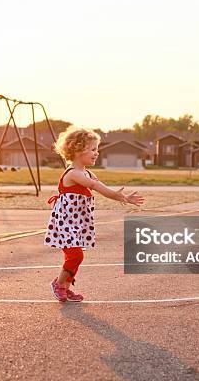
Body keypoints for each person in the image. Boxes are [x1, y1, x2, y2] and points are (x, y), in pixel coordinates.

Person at [44, 126, 144, 302]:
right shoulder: (74, 174)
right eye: (92, 149)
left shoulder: (87, 172)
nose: (96, 153)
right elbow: (97, 187)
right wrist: (116, 195)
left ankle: (65, 288)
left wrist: (123, 197)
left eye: (97, 149)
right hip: (65, 223)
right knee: (76, 255)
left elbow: (102, 185)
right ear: (77, 150)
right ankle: (58, 284)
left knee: (73, 256)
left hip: (77, 223)